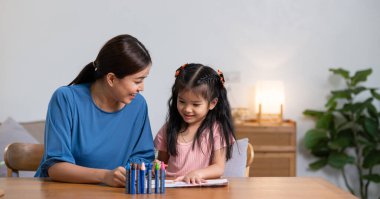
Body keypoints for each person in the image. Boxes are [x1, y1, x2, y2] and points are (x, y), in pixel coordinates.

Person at [35, 34, 155, 187]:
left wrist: (139, 170)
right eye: (138, 81)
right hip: (60, 191)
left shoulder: (138, 105)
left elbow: (142, 158)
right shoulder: (66, 99)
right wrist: (105, 176)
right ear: (111, 79)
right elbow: (56, 167)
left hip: (110, 194)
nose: (142, 88)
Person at [154, 63, 236, 184]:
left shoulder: (217, 130)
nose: (187, 109)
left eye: (195, 104)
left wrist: (197, 173)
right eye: (182, 101)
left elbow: (218, 167)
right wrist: (155, 166)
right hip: (170, 189)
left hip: (200, 190)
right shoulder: (169, 128)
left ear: (212, 103)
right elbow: (162, 163)